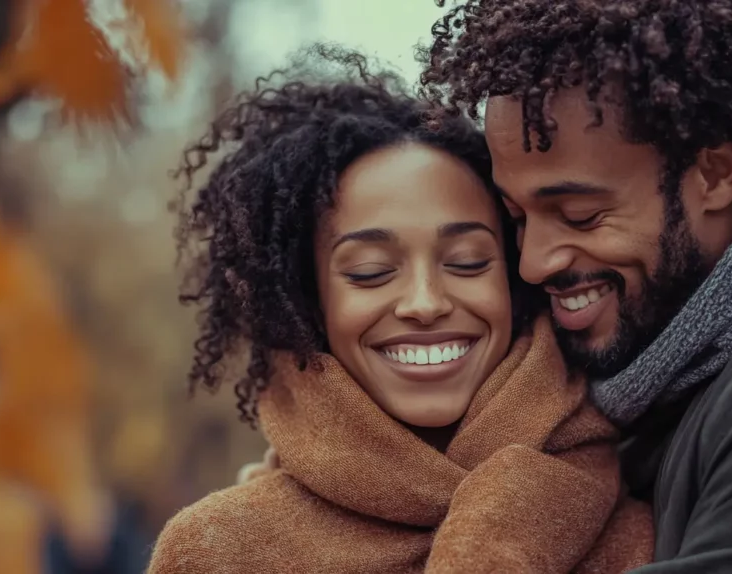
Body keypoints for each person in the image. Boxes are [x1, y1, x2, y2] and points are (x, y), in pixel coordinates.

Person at [233, 1, 732, 571]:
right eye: (519, 218)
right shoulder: (676, 371)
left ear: (715, 172)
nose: (536, 262)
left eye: (579, 213)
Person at [147, 46, 653, 574]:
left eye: (467, 262)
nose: (426, 303)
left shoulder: (643, 495)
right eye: (370, 271)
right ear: (308, 302)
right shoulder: (222, 552)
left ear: (514, 280)